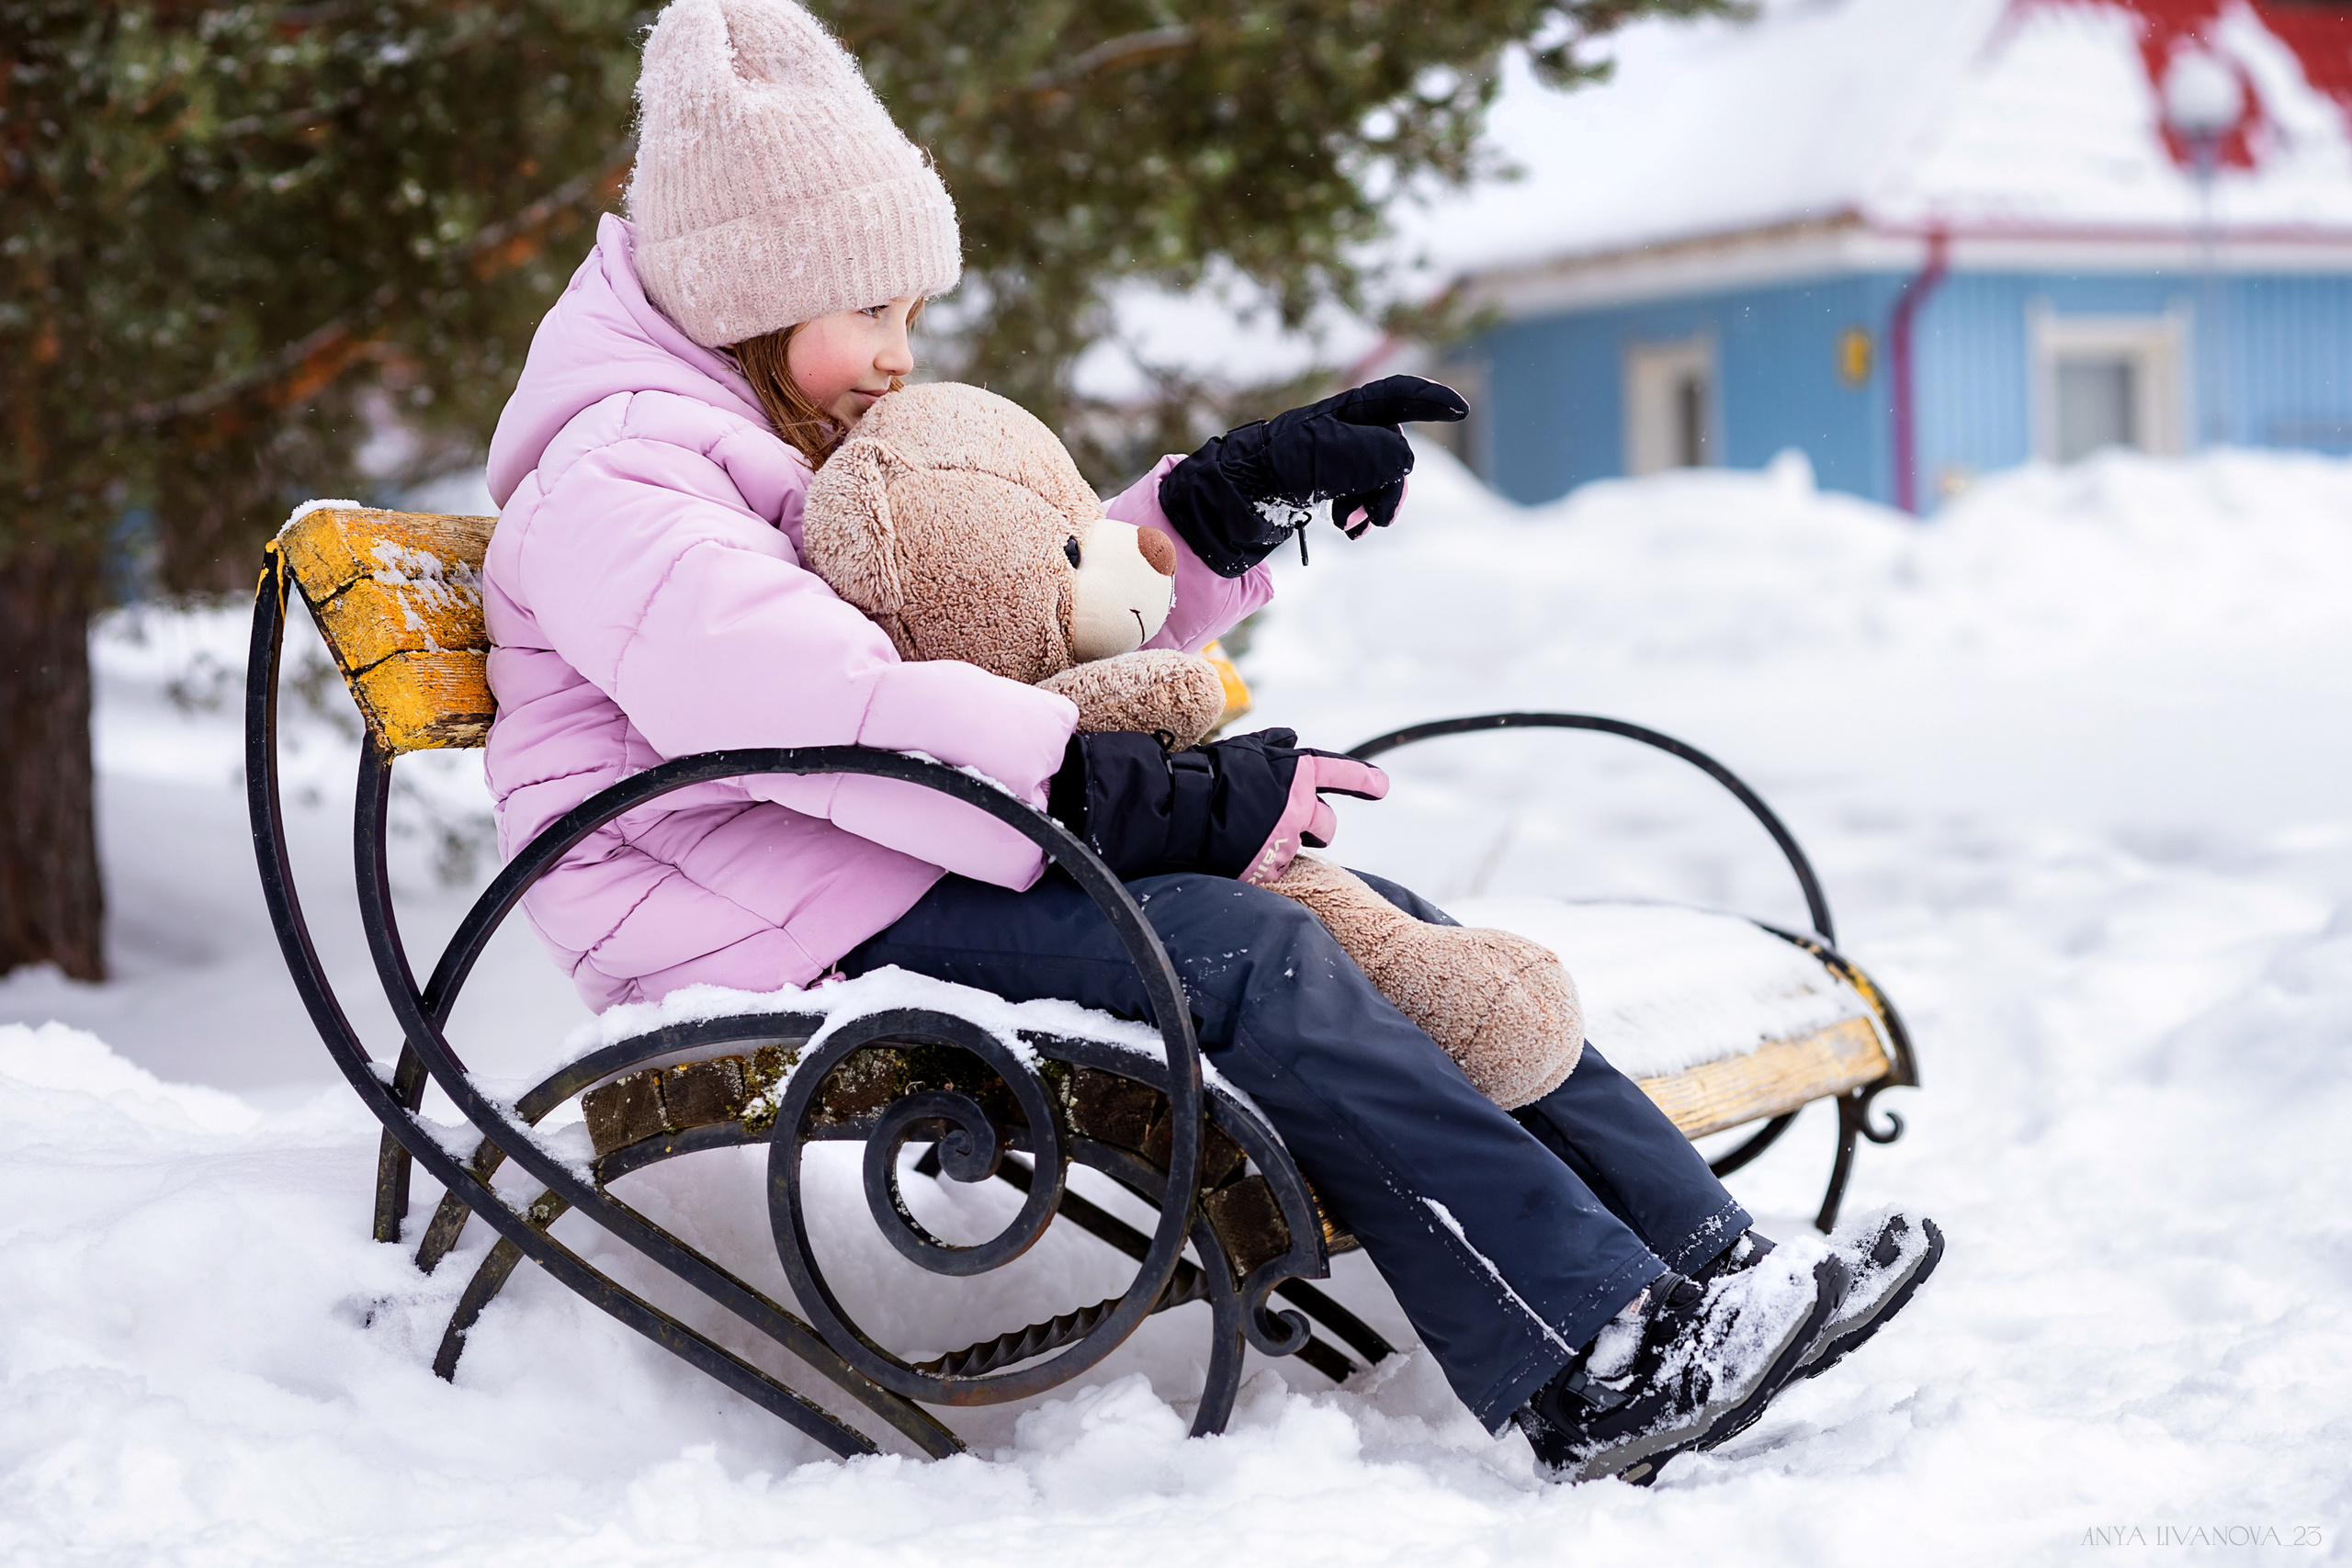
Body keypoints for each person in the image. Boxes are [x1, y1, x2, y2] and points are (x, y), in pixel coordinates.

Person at [481, 0, 1939, 1484]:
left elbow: (1009, 609)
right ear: (749, 292)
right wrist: (1121, 795)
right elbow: (827, 711)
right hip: (748, 920)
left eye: (913, 318)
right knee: (1249, 955)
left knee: (1373, 921)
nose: (901, 358)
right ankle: (1588, 1351)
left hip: (873, 859)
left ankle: (1707, 1261)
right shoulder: (621, 483)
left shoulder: (751, 439)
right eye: (873, 314)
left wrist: (1221, 505)